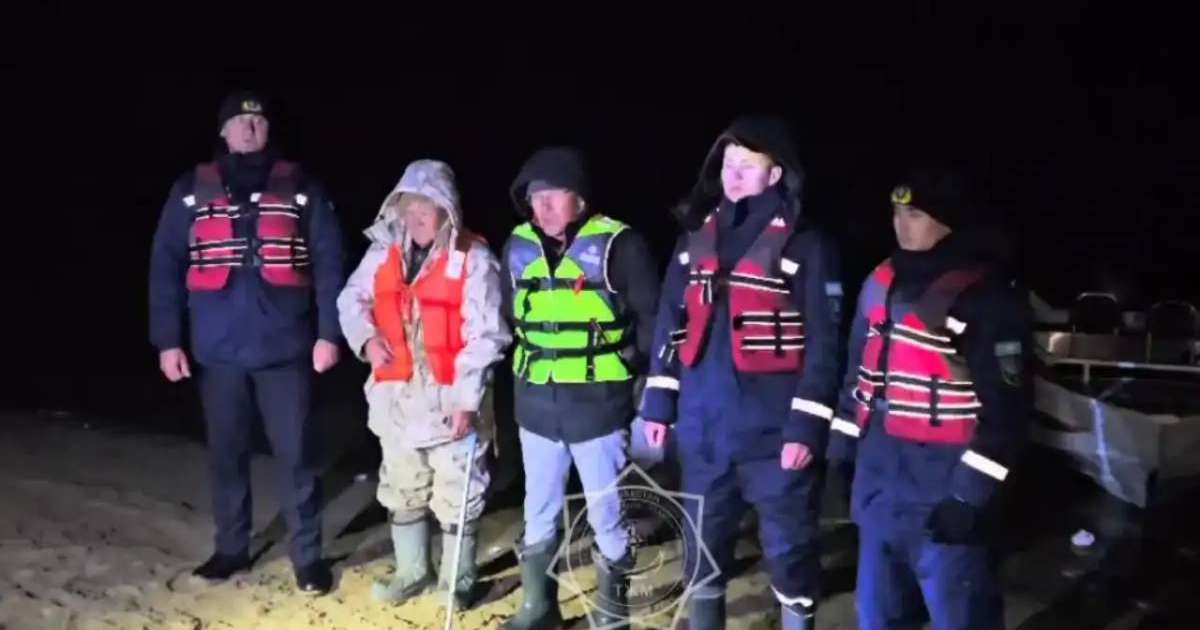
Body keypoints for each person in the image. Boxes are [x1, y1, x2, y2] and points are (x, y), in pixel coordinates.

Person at [639, 115, 843, 630]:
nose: (733, 175)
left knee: (790, 552)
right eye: (728, 164)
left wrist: (806, 428)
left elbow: (824, 343)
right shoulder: (694, 240)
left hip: (775, 437)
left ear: (775, 175)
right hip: (704, 429)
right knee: (702, 549)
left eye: (748, 166)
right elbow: (670, 321)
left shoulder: (807, 245)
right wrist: (659, 403)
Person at [148, 90, 346, 594]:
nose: (248, 127)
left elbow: (328, 262)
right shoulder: (191, 189)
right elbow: (165, 265)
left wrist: (329, 335)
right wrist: (168, 340)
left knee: (297, 456)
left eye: (256, 120)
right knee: (226, 454)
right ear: (223, 131)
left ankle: (307, 558)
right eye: (239, 120)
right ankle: (231, 549)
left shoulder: (301, 187)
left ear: (267, 129)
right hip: (218, 351)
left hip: (287, 349)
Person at [826, 163, 1031, 629]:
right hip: (880, 488)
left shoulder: (986, 295)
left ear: (947, 220)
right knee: (878, 618)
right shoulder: (878, 283)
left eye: (916, 214)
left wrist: (968, 497)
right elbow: (855, 376)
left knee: (960, 618)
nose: (902, 224)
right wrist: (841, 456)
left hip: (943, 492)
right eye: (897, 212)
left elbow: (1008, 411)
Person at [336, 159, 510, 608]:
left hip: (452, 401)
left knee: (459, 493)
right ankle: (413, 573)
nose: (415, 220)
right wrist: (367, 340)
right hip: (395, 399)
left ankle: (459, 581)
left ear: (447, 212)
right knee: (401, 487)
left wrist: (467, 400)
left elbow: (487, 334)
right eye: (409, 209)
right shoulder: (382, 252)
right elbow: (350, 300)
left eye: (426, 210)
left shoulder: (474, 260)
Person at [499, 147, 659, 629]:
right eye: (534, 197)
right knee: (539, 511)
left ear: (582, 200)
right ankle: (539, 608)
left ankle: (611, 616)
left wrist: (649, 395)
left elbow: (652, 321)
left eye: (554, 195)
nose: (542, 207)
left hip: (599, 409)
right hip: (536, 409)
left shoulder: (621, 246)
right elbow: (511, 316)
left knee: (606, 517)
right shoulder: (517, 246)